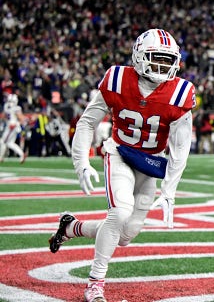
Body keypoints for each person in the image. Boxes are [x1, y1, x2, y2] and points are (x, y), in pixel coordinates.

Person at [47, 28, 195, 302]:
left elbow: (180, 149)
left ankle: (70, 228)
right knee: (119, 212)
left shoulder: (180, 92)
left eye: (167, 59)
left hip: (149, 164)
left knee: (125, 235)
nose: (162, 65)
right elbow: (87, 122)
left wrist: (169, 190)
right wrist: (81, 162)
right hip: (119, 153)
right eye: (156, 58)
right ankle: (95, 284)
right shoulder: (117, 79)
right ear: (139, 57)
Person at [0, 93, 26, 163]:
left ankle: (1, 157)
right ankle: (21, 154)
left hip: (11, 126)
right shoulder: (15, 107)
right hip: (12, 126)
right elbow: (21, 119)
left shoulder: (7, 106)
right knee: (9, 143)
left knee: (3, 141)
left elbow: (4, 116)